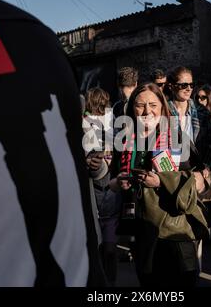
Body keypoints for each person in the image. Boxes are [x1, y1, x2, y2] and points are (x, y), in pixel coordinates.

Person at [109, 83, 211, 287]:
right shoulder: (125, 139)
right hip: (141, 231)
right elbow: (112, 181)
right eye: (140, 105)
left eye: (153, 105)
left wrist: (161, 181)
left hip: (175, 231)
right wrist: (119, 182)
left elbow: (201, 180)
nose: (147, 111)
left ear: (162, 107)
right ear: (132, 109)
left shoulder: (176, 137)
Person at [83, 87, 119, 286]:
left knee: (108, 249)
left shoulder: (111, 126)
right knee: (106, 250)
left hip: (107, 199)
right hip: (98, 199)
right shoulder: (88, 126)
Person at [166, 66, 211, 169]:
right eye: (184, 85)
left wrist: (207, 166)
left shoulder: (202, 112)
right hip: (173, 172)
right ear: (171, 86)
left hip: (200, 171)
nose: (189, 89)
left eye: (191, 85)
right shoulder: (164, 112)